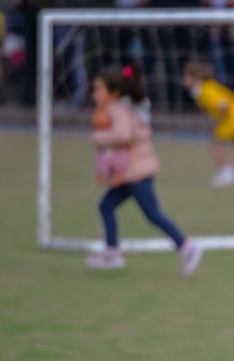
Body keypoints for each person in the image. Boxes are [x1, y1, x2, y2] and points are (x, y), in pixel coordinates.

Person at [86, 65, 202, 276]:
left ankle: (187, 246)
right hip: (131, 174)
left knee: (153, 214)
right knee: (105, 206)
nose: (95, 95)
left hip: (137, 174)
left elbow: (124, 135)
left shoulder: (117, 110)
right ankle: (112, 252)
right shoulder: (125, 108)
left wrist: (98, 138)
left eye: (98, 89)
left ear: (113, 93)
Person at [182, 60, 234, 188]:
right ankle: (228, 172)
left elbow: (223, 105)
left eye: (186, 76)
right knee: (218, 141)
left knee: (215, 141)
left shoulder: (205, 90)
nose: (183, 79)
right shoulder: (204, 88)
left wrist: (221, 121)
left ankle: (227, 173)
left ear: (194, 77)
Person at [92, 103, 130, 188]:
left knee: (120, 162)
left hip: (117, 153)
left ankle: (117, 176)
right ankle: (104, 176)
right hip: (106, 152)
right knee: (102, 162)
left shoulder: (119, 122)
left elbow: (124, 137)